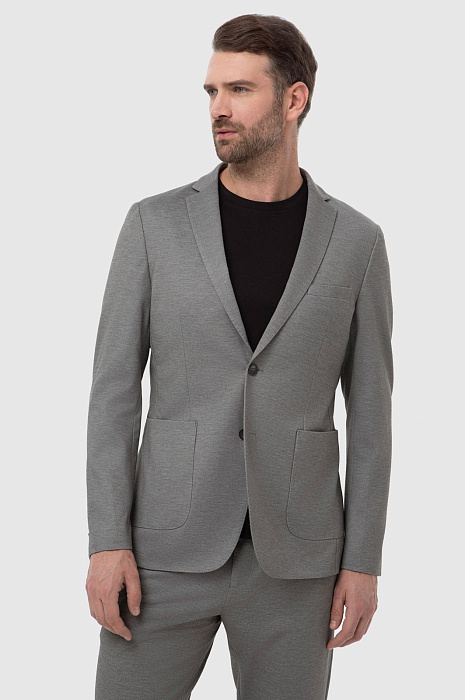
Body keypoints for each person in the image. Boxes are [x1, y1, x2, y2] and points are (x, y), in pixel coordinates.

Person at [85, 13, 394, 700]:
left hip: (298, 562)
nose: (218, 109)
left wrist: (363, 559)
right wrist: (107, 541)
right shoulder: (153, 225)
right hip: (162, 553)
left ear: (294, 100)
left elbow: (372, 415)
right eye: (211, 91)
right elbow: (113, 395)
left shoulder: (356, 243)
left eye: (239, 90)